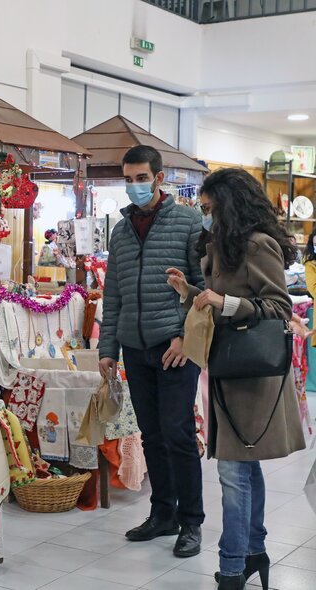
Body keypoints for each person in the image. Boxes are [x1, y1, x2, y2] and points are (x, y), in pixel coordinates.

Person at [167, 168, 306, 589]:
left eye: (209, 208)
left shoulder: (257, 244)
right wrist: (191, 294)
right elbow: (224, 301)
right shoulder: (221, 245)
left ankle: (232, 568)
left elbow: (279, 307)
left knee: (233, 470)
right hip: (229, 369)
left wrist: (223, 301)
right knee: (244, 466)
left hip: (252, 375)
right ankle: (253, 553)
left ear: (230, 205)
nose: (205, 215)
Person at [98, 145, 205, 558]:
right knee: (152, 435)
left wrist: (184, 338)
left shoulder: (188, 222)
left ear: (159, 178)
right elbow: (113, 295)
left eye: (141, 178)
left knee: (179, 434)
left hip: (174, 347)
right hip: (134, 347)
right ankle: (163, 514)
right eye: (128, 179)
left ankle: (191, 522)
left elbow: (202, 290)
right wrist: (108, 348)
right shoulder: (121, 231)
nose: (134, 186)